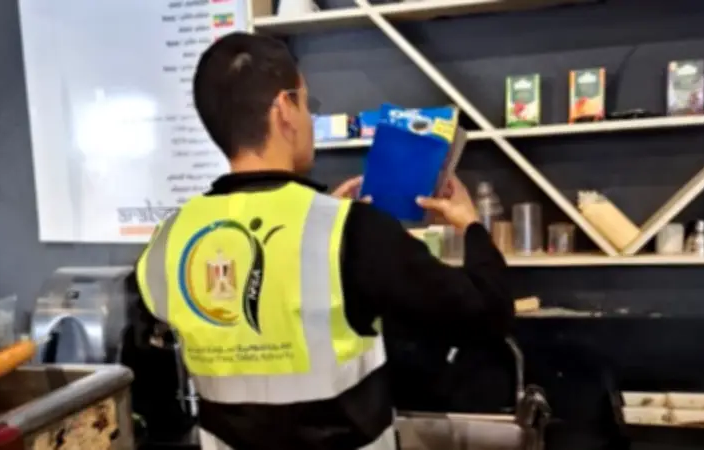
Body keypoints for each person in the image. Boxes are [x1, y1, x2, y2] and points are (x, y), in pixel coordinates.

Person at [134, 31, 512, 450]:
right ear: (284, 108)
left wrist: (319, 220)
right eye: (306, 103)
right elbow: (487, 311)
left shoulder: (168, 241)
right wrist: (471, 225)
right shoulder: (353, 231)